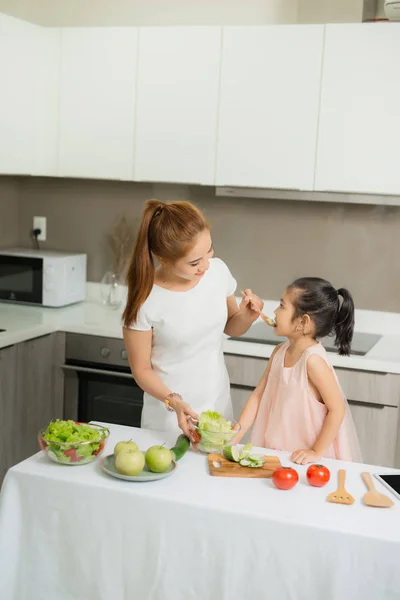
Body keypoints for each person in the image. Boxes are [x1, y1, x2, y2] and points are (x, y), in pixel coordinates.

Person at [122, 199, 263, 440]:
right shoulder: (145, 299)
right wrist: (174, 402)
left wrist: (247, 317)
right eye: (195, 262)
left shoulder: (217, 272)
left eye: (209, 251)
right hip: (169, 420)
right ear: (163, 259)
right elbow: (142, 370)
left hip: (218, 409)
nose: (206, 266)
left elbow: (230, 326)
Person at [233, 277, 362, 464]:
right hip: (280, 451)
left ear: (303, 322)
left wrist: (315, 451)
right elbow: (258, 397)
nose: (275, 312)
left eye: (282, 306)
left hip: (307, 459)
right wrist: (236, 433)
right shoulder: (279, 351)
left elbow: (337, 409)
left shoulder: (313, 361)